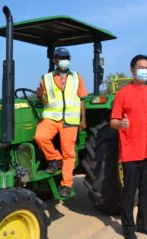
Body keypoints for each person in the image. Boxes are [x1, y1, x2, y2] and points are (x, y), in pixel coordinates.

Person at [110, 54, 147, 239]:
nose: (145, 71)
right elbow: (113, 121)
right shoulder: (123, 93)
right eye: (141, 67)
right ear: (132, 70)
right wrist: (120, 124)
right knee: (130, 192)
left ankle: (143, 224)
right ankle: (128, 228)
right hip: (131, 150)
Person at [34, 47, 87, 197]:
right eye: (61, 57)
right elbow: (44, 100)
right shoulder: (46, 78)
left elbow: (82, 99)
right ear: (55, 60)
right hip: (51, 117)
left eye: (67, 57)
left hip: (70, 119)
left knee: (69, 152)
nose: (64, 60)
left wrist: (83, 120)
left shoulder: (77, 77)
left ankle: (66, 184)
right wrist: (39, 96)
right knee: (40, 137)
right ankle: (54, 159)